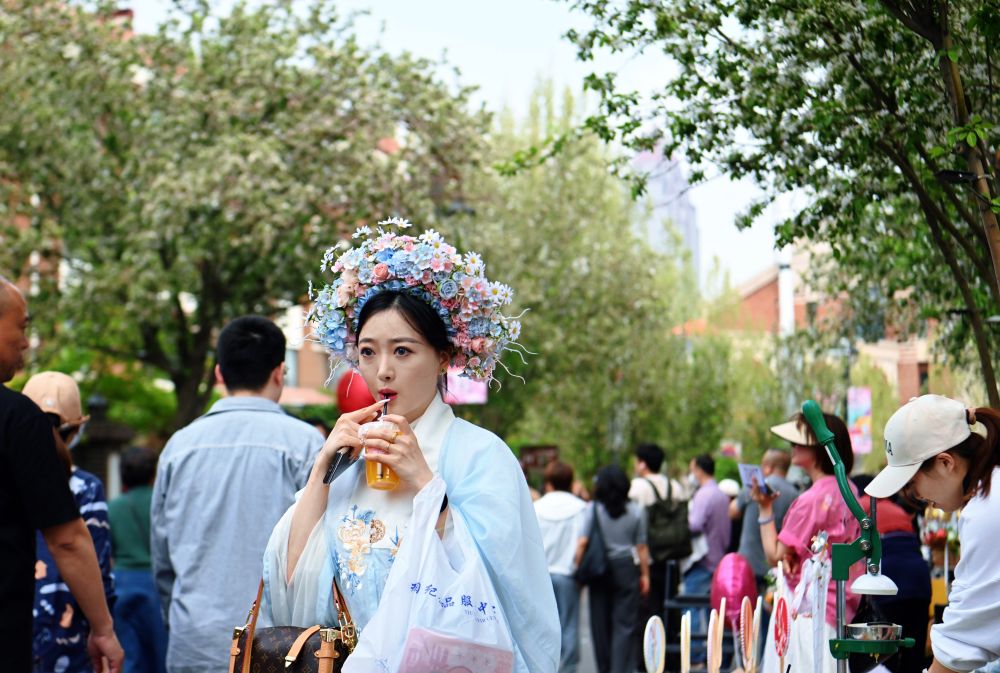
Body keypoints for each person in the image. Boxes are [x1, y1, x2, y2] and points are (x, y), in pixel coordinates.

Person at [262, 221, 559, 672]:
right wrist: (322, 472)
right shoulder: (350, 462)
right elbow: (290, 591)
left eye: (402, 351)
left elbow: (511, 596)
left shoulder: (481, 456)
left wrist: (426, 485)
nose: (382, 370)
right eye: (367, 352)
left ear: (443, 357)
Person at [151, 315, 324, 673]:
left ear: (218, 373)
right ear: (280, 372)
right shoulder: (307, 445)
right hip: (279, 646)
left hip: (194, 641)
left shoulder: (178, 447)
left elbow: (163, 557)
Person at [0, 276, 123, 673]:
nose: (25, 342)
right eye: (22, 327)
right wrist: (103, 628)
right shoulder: (17, 420)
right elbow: (69, 540)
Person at [863, 394, 1000, 673]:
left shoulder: (987, 507)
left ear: (945, 463)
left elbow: (962, 641)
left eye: (912, 482)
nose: (915, 495)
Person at [753, 411, 862, 673]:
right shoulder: (849, 489)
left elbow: (775, 555)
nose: (792, 447)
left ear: (817, 449)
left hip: (806, 614)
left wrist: (765, 509)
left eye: (799, 442)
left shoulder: (810, 500)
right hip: (840, 608)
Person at [24, 371, 116, 673]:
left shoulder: (9, 480)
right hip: (70, 640)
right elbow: (99, 569)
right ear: (76, 430)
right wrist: (104, 630)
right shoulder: (86, 488)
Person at [852, 473, 930, 673]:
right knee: (914, 652)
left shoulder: (861, 507)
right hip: (919, 580)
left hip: (889, 581)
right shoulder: (898, 510)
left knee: (886, 656)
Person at [582, 465, 649, 673]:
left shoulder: (593, 509)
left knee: (600, 625)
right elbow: (641, 547)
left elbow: (583, 542)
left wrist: (578, 570)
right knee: (625, 625)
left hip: (599, 570)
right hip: (626, 569)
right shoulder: (637, 511)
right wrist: (645, 575)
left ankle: (604, 668)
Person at [108, 446, 168, 673]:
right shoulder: (162, 505)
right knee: (161, 655)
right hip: (157, 585)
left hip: (121, 584)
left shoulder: (113, 507)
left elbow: (108, 552)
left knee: (129, 657)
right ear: (153, 474)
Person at [628, 442, 685, 663]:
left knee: (648, 614)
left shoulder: (637, 487)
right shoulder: (675, 486)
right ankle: (672, 660)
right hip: (672, 558)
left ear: (642, 464)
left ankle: (650, 662)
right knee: (669, 610)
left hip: (647, 561)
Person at [535, 460, 588, 673]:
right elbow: (582, 543)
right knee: (569, 625)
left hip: (541, 576)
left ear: (548, 483)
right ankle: (568, 669)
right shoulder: (581, 508)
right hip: (568, 575)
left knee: (543, 626)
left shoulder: (536, 507)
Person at [683, 453, 731, 667]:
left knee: (691, 607)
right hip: (718, 557)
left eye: (692, 469)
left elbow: (695, 524)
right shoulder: (721, 495)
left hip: (702, 560)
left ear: (699, 470)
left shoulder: (703, 494)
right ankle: (716, 656)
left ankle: (694, 656)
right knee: (713, 610)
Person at [730, 449, 799, 591]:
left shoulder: (755, 487)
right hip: (775, 568)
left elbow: (732, 512)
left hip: (748, 563)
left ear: (767, 467)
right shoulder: (795, 494)